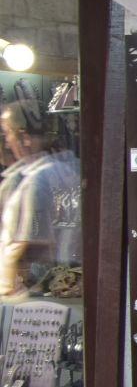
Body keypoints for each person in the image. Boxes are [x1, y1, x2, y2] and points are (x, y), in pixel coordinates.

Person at [0, 99, 79, 298]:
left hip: (26, 291)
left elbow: (36, 243)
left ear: (24, 137)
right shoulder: (58, 169)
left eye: (7, 133)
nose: (7, 141)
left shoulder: (39, 180)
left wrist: (16, 264)